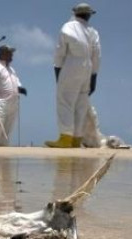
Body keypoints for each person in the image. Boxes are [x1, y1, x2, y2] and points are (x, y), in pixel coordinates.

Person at [46, 3, 101, 149]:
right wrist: (93, 77)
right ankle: (76, 139)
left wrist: (58, 72)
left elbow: (60, 52)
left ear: (75, 13)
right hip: (88, 68)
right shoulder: (93, 32)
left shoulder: (68, 27)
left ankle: (65, 138)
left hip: (71, 65)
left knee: (65, 101)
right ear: (89, 15)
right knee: (81, 104)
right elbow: (97, 56)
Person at [0, 45, 27, 147]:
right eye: (9, 53)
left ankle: (3, 149)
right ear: (2, 54)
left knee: (8, 127)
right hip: (0, 101)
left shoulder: (11, 69)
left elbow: (16, 82)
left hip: (13, 103)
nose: (12, 55)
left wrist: (20, 89)